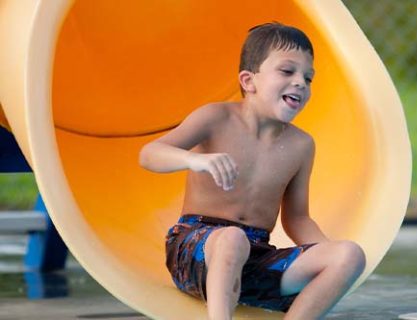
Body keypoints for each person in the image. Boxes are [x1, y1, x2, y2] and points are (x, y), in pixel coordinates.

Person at [139, 22, 366, 320]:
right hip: (195, 253)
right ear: (248, 81)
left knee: (350, 255)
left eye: (308, 78)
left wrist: (327, 259)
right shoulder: (215, 118)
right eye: (287, 72)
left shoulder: (301, 145)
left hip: (256, 258)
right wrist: (195, 160)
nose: (300, 82)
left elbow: (297, 218)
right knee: (232, 238)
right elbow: (149, 154)